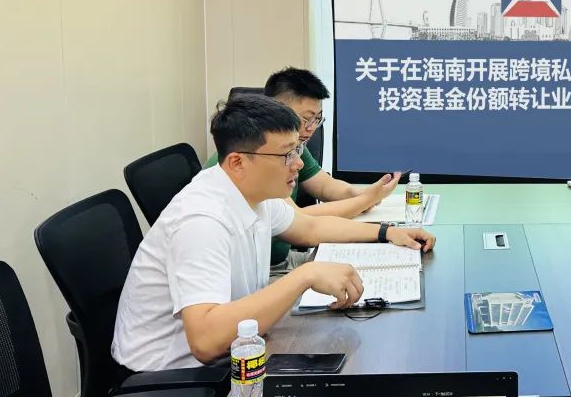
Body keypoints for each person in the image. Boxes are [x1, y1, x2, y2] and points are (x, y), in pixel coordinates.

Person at [113, 94, 436, 372]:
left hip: (237, 350)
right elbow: (206, 342)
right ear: (238, 162)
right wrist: (303, 277)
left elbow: (309, 227)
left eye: (297, 151)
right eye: (286, 155)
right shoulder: (201, 222)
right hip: (174, 374)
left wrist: (386, 232)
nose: (298, 164)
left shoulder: (252, 192)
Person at [206, 67, 401, 267]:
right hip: (269, 268)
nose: (311, 128)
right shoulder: (252, 163)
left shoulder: (292, 149)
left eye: (317, 119)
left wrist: (366, 199)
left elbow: (318, 201)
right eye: (306, 119)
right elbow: (301, 219)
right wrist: (365, 200)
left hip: (280, 260)